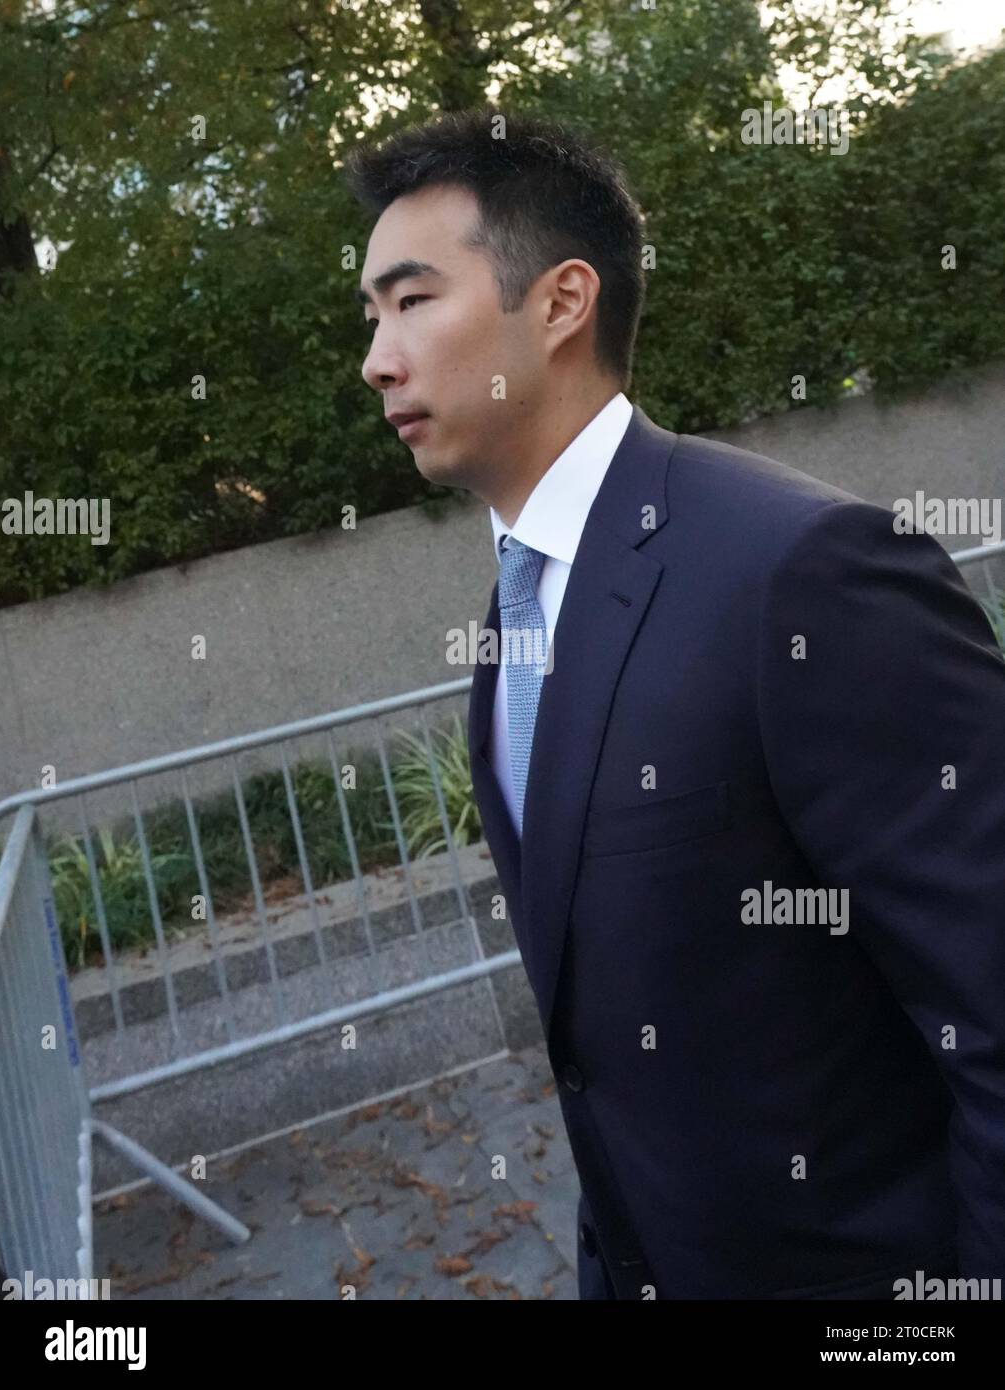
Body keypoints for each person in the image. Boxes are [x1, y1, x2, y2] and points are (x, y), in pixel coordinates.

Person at [344, 107, 1005, 1300]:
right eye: (371, 314)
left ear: (558, 303)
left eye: (412, 300)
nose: (376, 357)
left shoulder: (803, 572)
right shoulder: (516, 610)